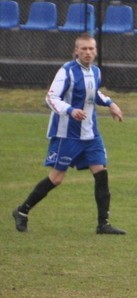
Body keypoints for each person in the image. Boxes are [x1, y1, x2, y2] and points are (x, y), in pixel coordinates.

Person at [11, 33, 126, 235]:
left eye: (91, 49)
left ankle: (103, 224)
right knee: (56, 178)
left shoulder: (96, 72)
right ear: (76, 51)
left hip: (91, 133)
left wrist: (111, 103)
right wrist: (70, 110)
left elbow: (94, 93)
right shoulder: (67, 71)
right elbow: (51, 98)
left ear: (96, 51)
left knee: (101, 174)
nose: (88, 52)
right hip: (67, 134)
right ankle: (22, 211)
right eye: (84, 49)